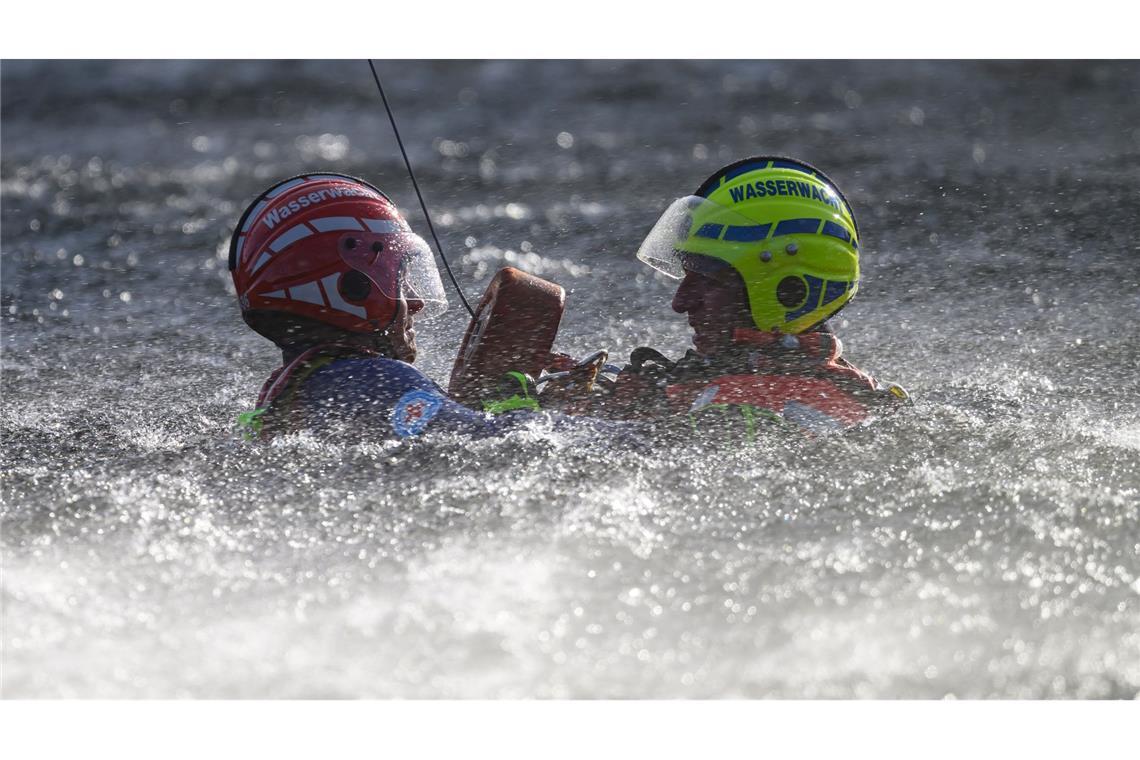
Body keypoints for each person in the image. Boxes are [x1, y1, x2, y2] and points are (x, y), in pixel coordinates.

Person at [577, 156, 908, 439]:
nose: (681, 302)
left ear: (788, 291)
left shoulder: (766, 401)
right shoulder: (812, 383)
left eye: (707, 278)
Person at [228, 172, 548, 440]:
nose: (416, 300)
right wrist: (537, 410)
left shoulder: (304, 386)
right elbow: (491, 443)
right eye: (397, 277)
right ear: (351, 289)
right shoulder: (374, 379)